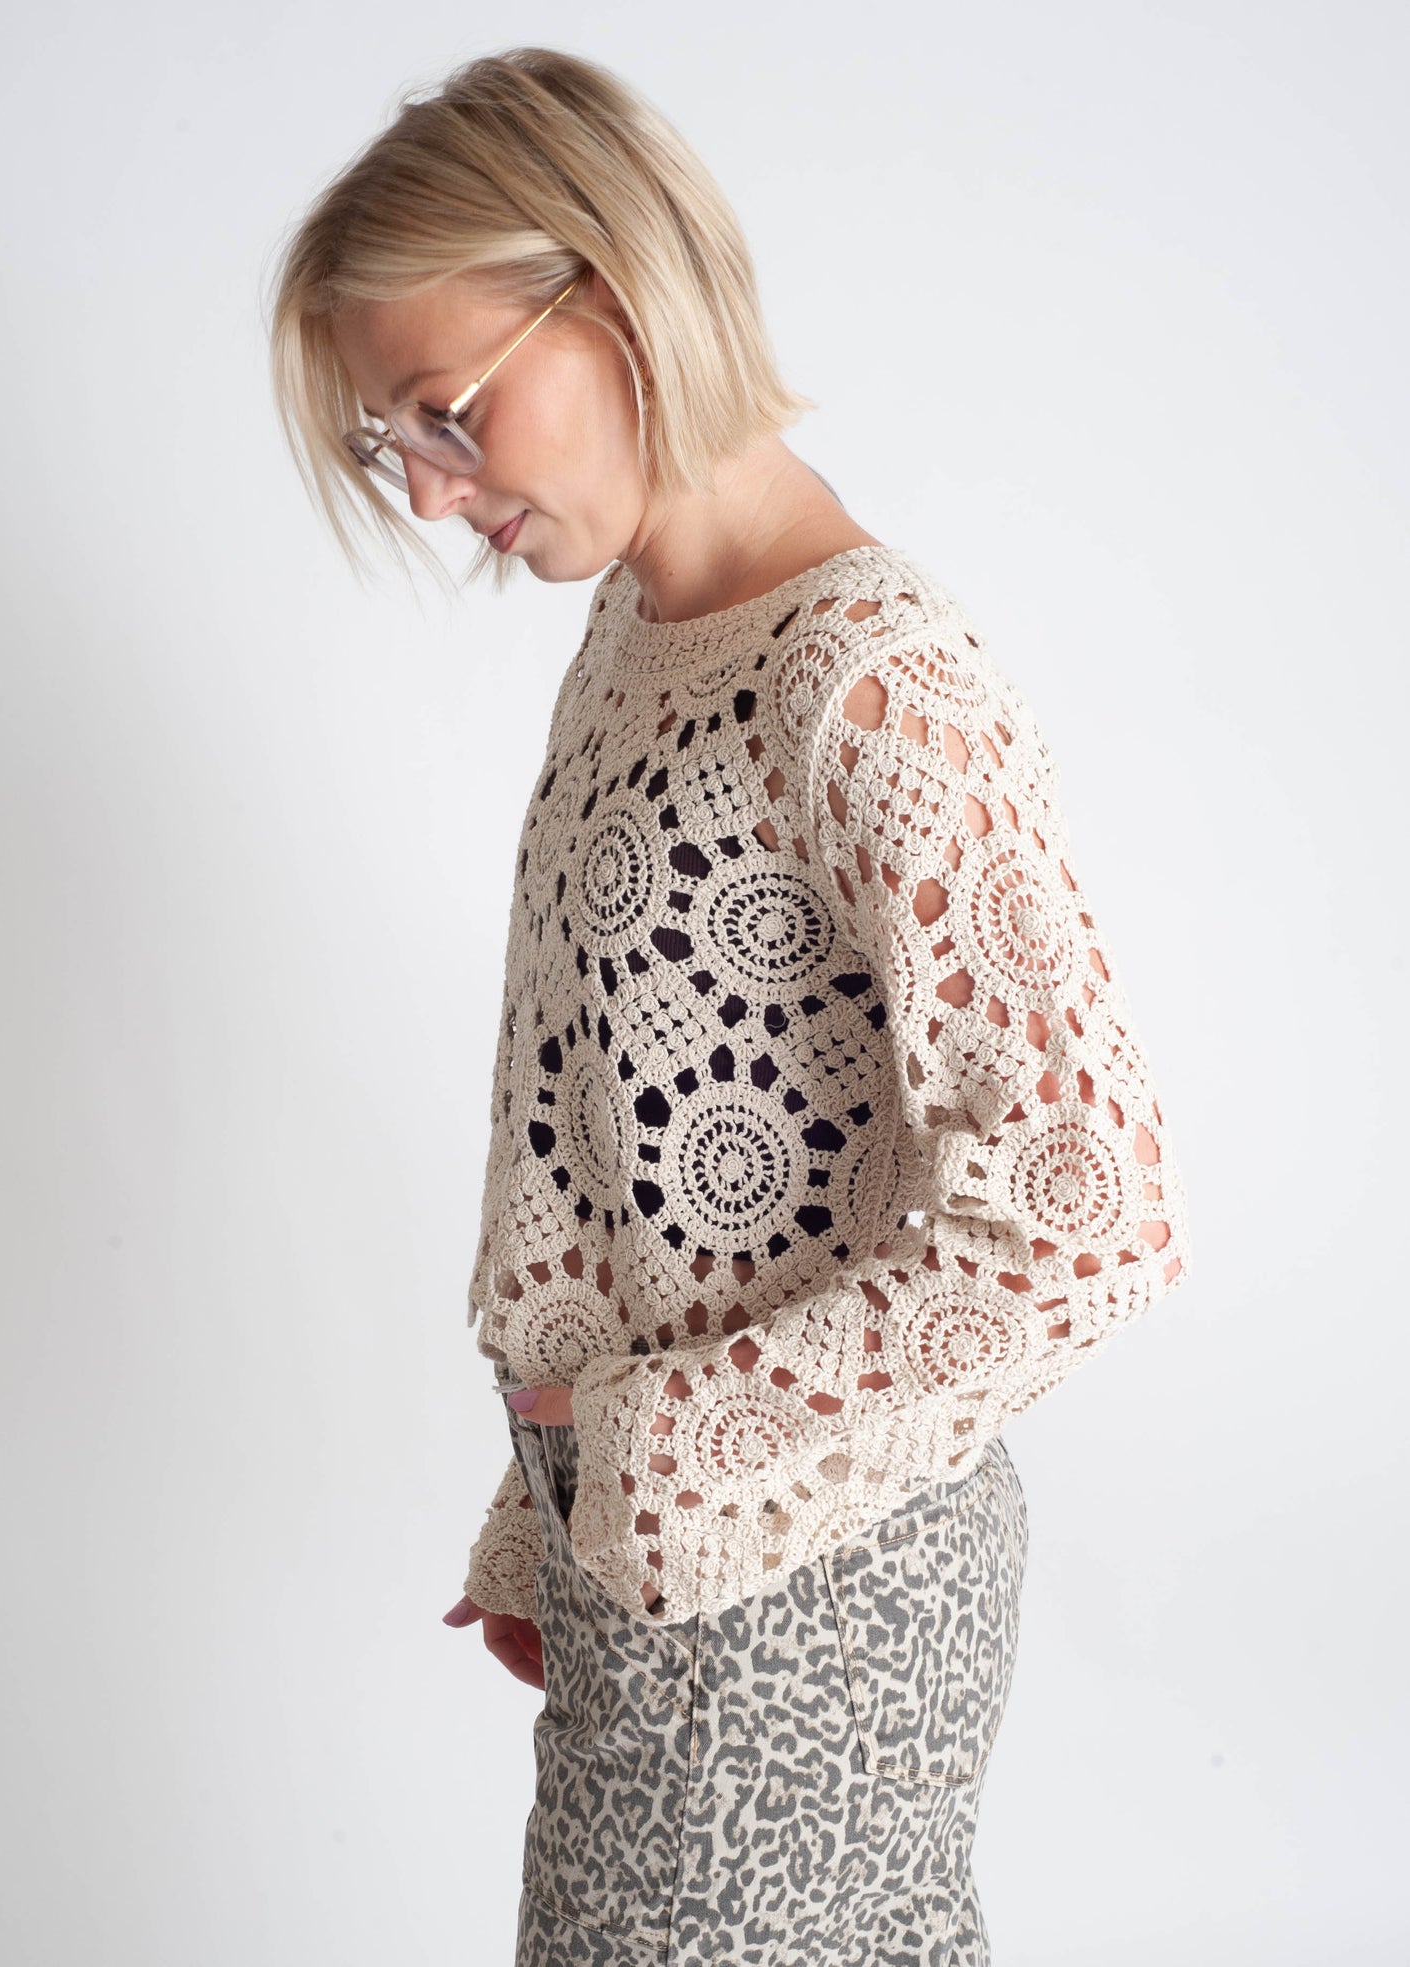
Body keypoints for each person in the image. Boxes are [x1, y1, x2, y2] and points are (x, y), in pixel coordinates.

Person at [268, 45, 1192, 1965]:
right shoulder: (638, 631)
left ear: (609, 293)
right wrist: (554, 1509)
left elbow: (1087, 1209)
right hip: (669, 1575)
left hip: (815, 1588)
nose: (436, 496)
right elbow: (623, 1138)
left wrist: (647, 1466)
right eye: (395, 449)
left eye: (448, 416)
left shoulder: (866, 678)